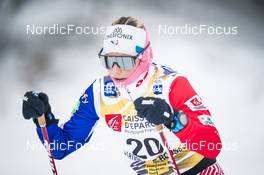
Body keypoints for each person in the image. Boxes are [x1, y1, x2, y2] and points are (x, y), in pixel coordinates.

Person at [22, 16, 224, 175]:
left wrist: (173, 120)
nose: (115, 70)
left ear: (143, 57)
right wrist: (44, 118)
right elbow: (61, 148)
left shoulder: (171, 83)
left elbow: (212, 145)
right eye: (109, 61)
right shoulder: (100, 92)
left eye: (124, 62)